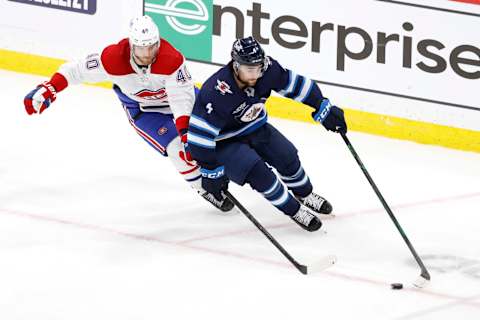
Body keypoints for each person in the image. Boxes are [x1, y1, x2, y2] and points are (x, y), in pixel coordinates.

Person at [23, 15, 234, 212]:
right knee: (177, 149)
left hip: (179, 105)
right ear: (132, 45)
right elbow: (75, 71)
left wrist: (189, 135)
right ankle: (205, 188)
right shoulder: (112, 59)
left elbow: (181, 102)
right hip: (145, 112)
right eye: (141, 49)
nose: (146, 55)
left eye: (151, 48)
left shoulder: (171, 60)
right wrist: (50, 87)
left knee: (228, 126)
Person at [187, 36, 347, 231]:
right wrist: (210, 170)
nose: (256, 74)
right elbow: (198, 137)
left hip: (255, 127)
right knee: (260, 174)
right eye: (249, 69)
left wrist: (322, 105)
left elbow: (295, 84)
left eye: (259, 67)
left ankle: (304, 194)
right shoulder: (217, 91)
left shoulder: (268, 69)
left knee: (287, 157)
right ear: (236, 66)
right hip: (224, 142)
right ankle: (294, 210)